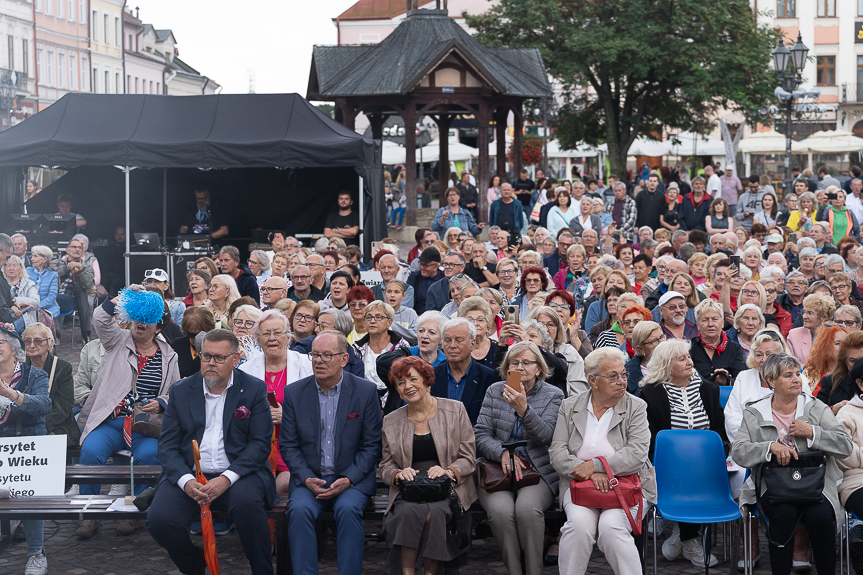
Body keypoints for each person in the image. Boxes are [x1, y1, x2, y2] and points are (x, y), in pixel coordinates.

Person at [147, 329, 278, 575]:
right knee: (160, 520)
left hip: (240, 474)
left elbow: (260, 444)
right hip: (191, 474)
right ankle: (194, 564)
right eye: (206, 356)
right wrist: (186, 481)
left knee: (249, 508)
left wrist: (226, 479)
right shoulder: (181, 390)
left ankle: (262, 571)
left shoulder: (253, 389)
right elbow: (167, 446)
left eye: (219, 358)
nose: (210, 363)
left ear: (235, 359)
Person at [731, 353, 852, 575]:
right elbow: (738, 452)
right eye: (788, 375)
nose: (797, 379)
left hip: (816, 485)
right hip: (772, 485)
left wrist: (813, 433)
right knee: (783, 513)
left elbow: (845, 446)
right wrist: (768, 448)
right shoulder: (755, 412)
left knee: (821, 516)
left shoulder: (817, 408)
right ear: (771, 381)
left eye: (797, 373)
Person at [76, 287, 180, 538]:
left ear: (158, 326)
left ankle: (134, 513)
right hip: (112, 421)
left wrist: (161, 402)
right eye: (138, 317)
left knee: (150, 456)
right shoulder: (117, 339)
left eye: (147, 318)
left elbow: (175, 392)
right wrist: (122, 297)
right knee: (90, 451)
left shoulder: (169, 356)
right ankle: (90, 515)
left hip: (145, 426)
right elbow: (100, 318)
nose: (140, 323)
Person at [281, 331, 383, 575]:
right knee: (299, 510)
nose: (319, 361)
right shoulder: (295, 393)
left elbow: (372, 446)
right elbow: (289, 445)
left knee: (347, 510)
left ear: (344, 359)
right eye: (315, 355)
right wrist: (306, 478)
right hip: (310, 479)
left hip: (352, 480)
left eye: (327, 355)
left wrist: (348, 479)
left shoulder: (365, 391)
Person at [549, 347, 655, 575]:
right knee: (577, 526)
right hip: (579, 484)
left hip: (628, 484)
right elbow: (557, 452)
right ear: (593, 381)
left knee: (611, 527)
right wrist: (586, 472)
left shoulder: (636, 406)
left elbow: (637, 454)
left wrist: (596, 467)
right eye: (613, 376)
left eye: (623, 375)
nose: (621, 381)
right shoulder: (570, 406)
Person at [378, 356, 477, 574]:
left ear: (426, 380)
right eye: (401, 383)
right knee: (409, 512)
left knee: (434, 514)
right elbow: (385, 464)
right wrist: (397, 474)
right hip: (409, 489)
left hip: (448, 488)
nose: (408, 387)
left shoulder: (455, 410)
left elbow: (468, 457)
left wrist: (449, 471)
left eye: (413, 379)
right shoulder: (391, 420)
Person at [474, 342, 563, 575]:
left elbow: (547, 436)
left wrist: (524, 410)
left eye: (527, 362)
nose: (521, 367)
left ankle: (533, 570)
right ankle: (515, 571)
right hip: (497, 467)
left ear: (539, 369)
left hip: (537, 468)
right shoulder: (495, 391)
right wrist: (501, 452)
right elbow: (481, 433)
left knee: (527, 509)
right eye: (515, 362)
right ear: (507, 367)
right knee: (501, 512)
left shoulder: (553, 395)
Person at [640, 339, 727, 567]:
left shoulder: (709, 390)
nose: (690, 361)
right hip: (666, 467)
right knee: (687, 476)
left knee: (705, 476)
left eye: (688, 357)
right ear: (666, 366)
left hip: (706, 465)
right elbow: (649, 438)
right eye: (682, 359)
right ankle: (689, 539)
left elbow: (719, 429)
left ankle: (682, 535)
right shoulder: (650, 394)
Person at [0, 323, 51, 575]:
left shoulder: (34, 375)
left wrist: (9, 393)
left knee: (31, 495)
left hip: (28, 446)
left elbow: (43, 406)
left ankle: (36, 553)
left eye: (0, 342)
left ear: (13, 348)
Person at [22, 322, 78, 447]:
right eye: (27, 341)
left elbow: (63, 407)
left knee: (47, 443)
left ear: (50, 344)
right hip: (23, 425)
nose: (32, 345)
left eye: (38, 341)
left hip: (56, 425)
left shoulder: (62, 368)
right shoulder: (20, 367)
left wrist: (38, 427)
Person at [430, 318, 495, 426]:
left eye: (459, 340)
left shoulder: (488, 378)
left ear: (472, 343)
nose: (452, 345)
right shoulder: (430, 377)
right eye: (447, 340)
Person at [352, 300, 410, 396]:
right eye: (369, 317)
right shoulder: (356, 348)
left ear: (389, 322)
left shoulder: (402, 346)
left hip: (395, 397)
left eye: (378, 317)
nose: (372, 321)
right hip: (365, 397)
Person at [53, 235, 96, 342]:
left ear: (82, 251)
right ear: (67, 250)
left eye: (79, 248)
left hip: (79, 296)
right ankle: (55, 333)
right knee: (54, 300)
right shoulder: (57, 262)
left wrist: (81, 270)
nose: (77, 249)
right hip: (57, 293)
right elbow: (52, 275)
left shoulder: (87, 266)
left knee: (88, 303)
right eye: (74, 247)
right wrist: (66, 268)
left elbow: (89, 284)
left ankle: (86, 334)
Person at [816, 331, 863, 412]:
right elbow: (816, 414)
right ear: (844, 360)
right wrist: (832, 410)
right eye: (852, 361)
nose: (857, 365)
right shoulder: (830, 382)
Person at [788, 293, 836, 363]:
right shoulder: (793, 335)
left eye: (810, 313)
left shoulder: (835, 335)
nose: (804, 316)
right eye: (804, 312)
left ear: (824, 317)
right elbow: (790, 364)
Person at [170, 306, 215, 379]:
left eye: (200, 334)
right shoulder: (177, 345)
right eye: (191, 335)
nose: (196, 339)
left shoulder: (217, 347)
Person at [627, 321, 664, 394]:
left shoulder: (677, 363)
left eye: (662, 337)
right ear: (640, 349)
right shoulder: (628, 375)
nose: (662, 343)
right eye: (654, 341)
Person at [4, 255, 38, 331]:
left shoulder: (29, 284)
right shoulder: (2, 283)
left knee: (9, 328)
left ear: (21, 268)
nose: (11, 268)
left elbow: (36, 303)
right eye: (8, 265)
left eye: (15, 265)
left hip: (22, 316)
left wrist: (15, 299)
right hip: (3, 313)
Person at [407, 247, 445, 314]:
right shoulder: (414, 278)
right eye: (420, 263)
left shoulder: (444, 279)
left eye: (426, 265)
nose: (421, 267)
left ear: (436, 266)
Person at [26, 245, 59, 320]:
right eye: (32, 256)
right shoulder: (27, 271)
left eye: (35, 256)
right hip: (28, 307)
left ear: (44, 260)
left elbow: (51, 297)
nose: (32, 259)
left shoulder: (53, 275)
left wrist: (37, 306)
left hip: (47, 309)